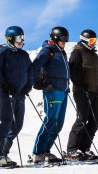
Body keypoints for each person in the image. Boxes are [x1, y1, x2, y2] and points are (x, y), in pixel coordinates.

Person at [0, 26, 32, 166]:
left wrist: (28, 85)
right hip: (7, 92)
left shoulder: (24, 55)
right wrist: (5, 85)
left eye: (22, 38)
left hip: (20, 94)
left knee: (17, 125)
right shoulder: (2, 52)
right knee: (6, 122)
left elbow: (30, 71)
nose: (21, 41)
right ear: (10, 39)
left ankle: (3, 154)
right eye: (19, 38)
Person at [28, 26, 71, 163]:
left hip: (63, 90)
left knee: (59, 124)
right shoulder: (48, 50)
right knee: (50, 120)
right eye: (63, 38)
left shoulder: (61, 52)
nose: (65, 42)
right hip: (52, 89)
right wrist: (38, 83)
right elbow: (35, 66)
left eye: (66, 39)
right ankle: (37, 152)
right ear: (56, 38)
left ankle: (46, 151)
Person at [65, 28, 98, 160]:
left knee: (95, 120)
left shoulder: (94, 55)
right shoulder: (77, 52)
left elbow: (95, 73)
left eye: (95, 40)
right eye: (92, 40)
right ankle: (71, 150)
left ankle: (84, 148)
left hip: (93, 91)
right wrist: (79, 84)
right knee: (82, 119)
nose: (94, 43)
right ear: (85, 40)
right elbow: (72, 70)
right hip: (81, 91)